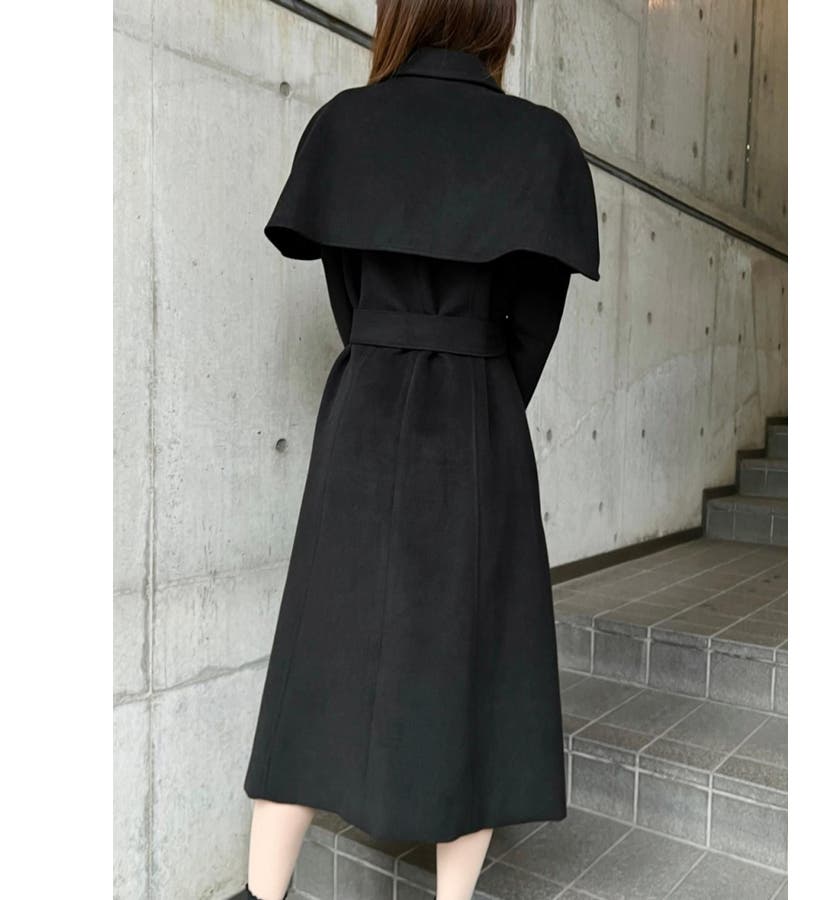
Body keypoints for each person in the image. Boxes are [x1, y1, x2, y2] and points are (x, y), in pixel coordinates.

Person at [228, 1, 599, 898]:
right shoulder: (541, 143)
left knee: (321, 661)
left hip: (364, 410)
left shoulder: (345, 127)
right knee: (473, 672)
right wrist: (476, 390)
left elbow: (348, 298)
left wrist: (388, 362)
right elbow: (534, 323)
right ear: (499, 17)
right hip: (482, 415)